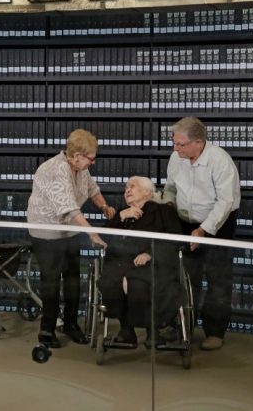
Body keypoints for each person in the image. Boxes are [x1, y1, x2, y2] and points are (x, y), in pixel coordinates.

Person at [27, 129, 116, 348]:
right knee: (51, 280)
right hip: (46, 232)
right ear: (77, 156)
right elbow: (69, 209)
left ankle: (71, 324)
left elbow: (92, 189)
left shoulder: (80, 168)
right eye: (91, 159)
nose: (93, 163)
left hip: (69, 231)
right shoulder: (56, 170)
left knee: (73, 279)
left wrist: (104, 206)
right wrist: (92, 233)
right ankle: (46, 330)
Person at [162, 117, 241, 351]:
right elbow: (170, 188)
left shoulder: (220, 161)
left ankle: (215, 332)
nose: (175, 148)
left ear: (198, 142)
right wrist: (167, 207)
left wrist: (203, 230)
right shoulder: (177, 158)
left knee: (218, 279)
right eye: (174, 143)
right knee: (185, 278)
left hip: (218, 224)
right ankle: (181, 327)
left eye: (181, 144)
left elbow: (225, 202)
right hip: (186, 223)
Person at [99, 176, 183, 347]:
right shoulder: (122, 213)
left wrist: (151, 254)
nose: (127, 190)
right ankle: (126, 329)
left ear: (147, 192)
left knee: (138, 283)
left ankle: (153, 330)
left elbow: (175, 240)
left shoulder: (163, 212)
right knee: (109, 282)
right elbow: (103, 238)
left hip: (152, 264)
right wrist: (121, 216)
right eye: (126, 188)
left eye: (132, 187)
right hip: (121, 264)